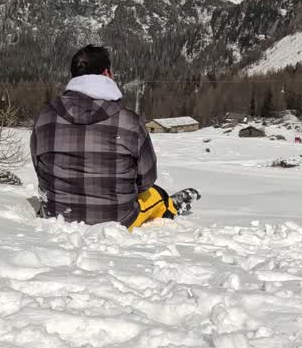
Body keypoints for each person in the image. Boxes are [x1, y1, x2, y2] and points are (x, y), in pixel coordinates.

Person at [30, 45, 196, 229]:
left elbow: (39, 167)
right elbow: (146, 179)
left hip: (57, 214)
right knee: (157, 195)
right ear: (107, 73)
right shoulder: (129, 121)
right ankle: (169, 208)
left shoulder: (44, 116)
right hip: (116, 220)